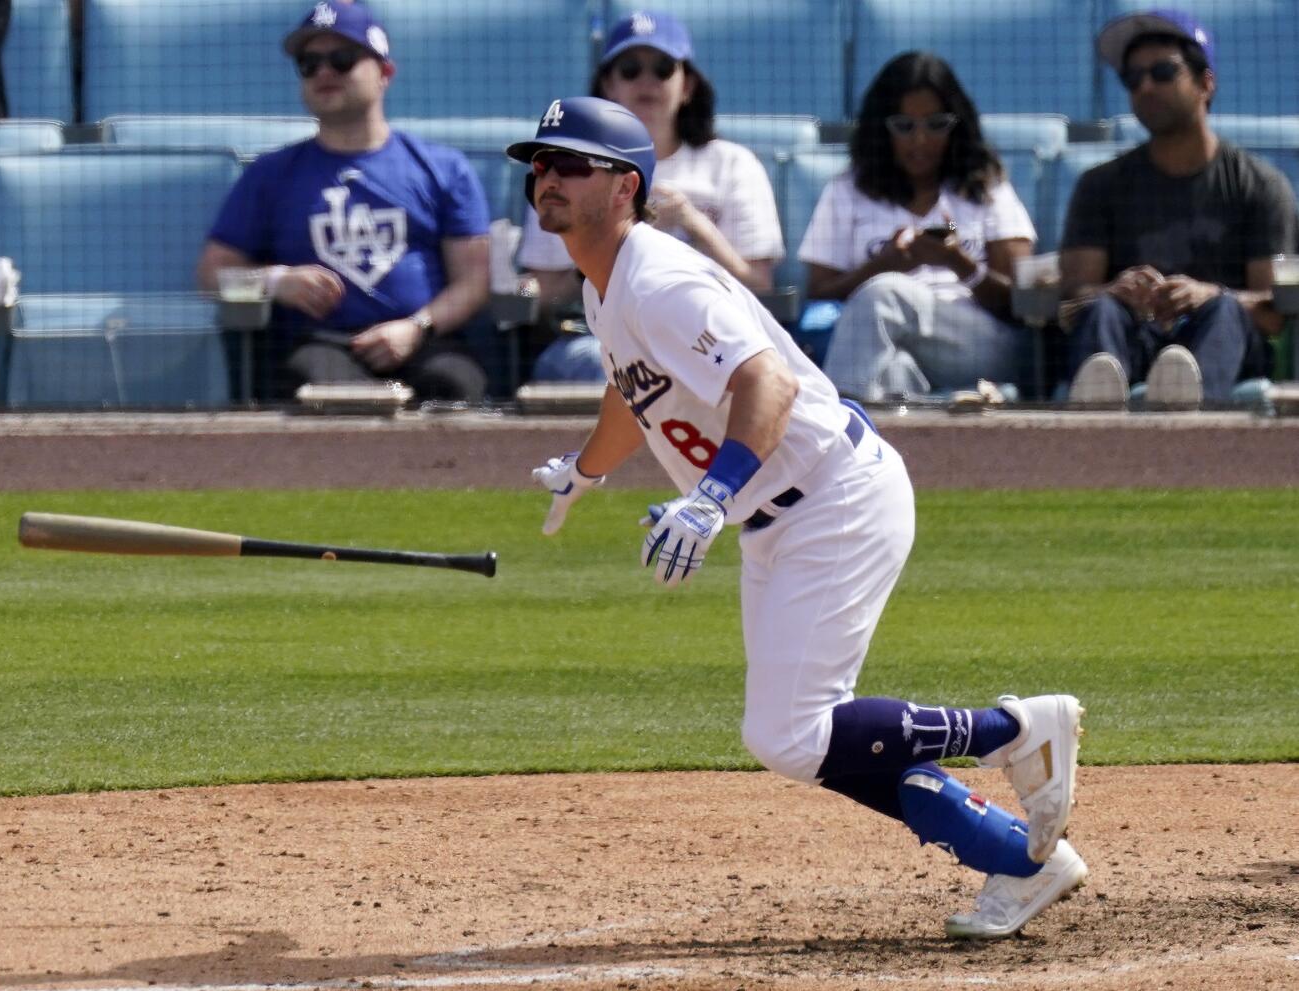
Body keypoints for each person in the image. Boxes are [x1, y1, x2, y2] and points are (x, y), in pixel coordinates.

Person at [515, 96, 1088, 939]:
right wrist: (586, 470)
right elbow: (629, 388)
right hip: (787, 514)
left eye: (569, 164)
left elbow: (768, 385)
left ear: (625, 185)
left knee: (789, 732)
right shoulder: (610, 287)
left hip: (834, 494)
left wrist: (710, 495)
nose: (545, 179)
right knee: (813, 738)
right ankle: (1021, 858)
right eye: (538, 164)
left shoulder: (659, 279)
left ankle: (1015, 728)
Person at [197, 0, 491, 404]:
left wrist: (415, 328)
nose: (324, 72)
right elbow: (212, 273)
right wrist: (277, 281)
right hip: (320, 345)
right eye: (309, 63)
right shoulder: (270, 174)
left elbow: (474, 281)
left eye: (342, 58)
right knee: (324, 390)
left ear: (385, 73)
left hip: (425, 339)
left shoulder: (443, 168)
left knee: (456, 385)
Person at [515, 10, 784, 383]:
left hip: (711, 337)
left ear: (687, 85)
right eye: (629, 68)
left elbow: (759, 285)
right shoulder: (563, 169)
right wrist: (609, 239)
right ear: (608, 83)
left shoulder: (733, 164)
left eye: (662, 68)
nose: (646, 80)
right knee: (615, 365)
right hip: (594, 338)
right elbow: (545, 293)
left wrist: (693, 223)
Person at [1062, 9, 1298, 408]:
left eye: (1163, 72)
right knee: (1101, 310)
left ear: (1206, 83)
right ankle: (1095, 432)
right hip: (1131, 341)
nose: (1146, 87)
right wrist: (1115, 291)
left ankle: (1189, 427)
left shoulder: (1261, 186)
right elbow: (1069, 305)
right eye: (1133, 78)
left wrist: (1207, 294)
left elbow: (1273, 312)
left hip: (1223, 348)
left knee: (1224, 310)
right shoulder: (1099, 185)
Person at [798, 52, 1036, 403]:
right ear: (882, 129)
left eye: (936, 124)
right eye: (905, 126)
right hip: (878, 341)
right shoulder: (847, 190)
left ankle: (835, 433)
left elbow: (1022, 301)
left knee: (885, 295)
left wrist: (958, 262)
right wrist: (885, 264)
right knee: (895, 370)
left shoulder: (984, 187)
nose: (921, 140)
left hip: (978, 344)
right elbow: (818, 293)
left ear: (957, 126)